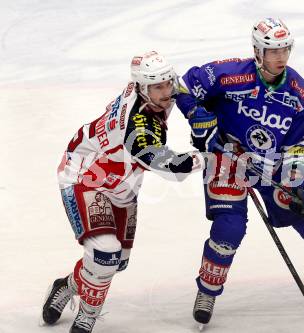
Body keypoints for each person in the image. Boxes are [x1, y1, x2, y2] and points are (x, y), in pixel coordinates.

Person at [175, 18, 304, 325]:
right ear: (257, 51)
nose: (280, 57)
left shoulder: (300, 92)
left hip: (273, 163)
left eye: (284, 50)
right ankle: (208, 289)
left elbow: (302, 143)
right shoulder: (229, 75)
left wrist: (299, 182)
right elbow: (183, 87)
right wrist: (200, 118)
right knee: (229, 229)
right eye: (272, 51)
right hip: (228, 161)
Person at [41, 51, 202, 333]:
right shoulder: (137, 125)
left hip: (122, 182)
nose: (167, 92)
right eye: (159, 87)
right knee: (105, 254)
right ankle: (87, 317)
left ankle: (67, 285)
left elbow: (192, 87)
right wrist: (208, 157)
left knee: (118, 263)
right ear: (142, 88)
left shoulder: (148, 90)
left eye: (168, 83)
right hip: (84, 175)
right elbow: (168, 166)